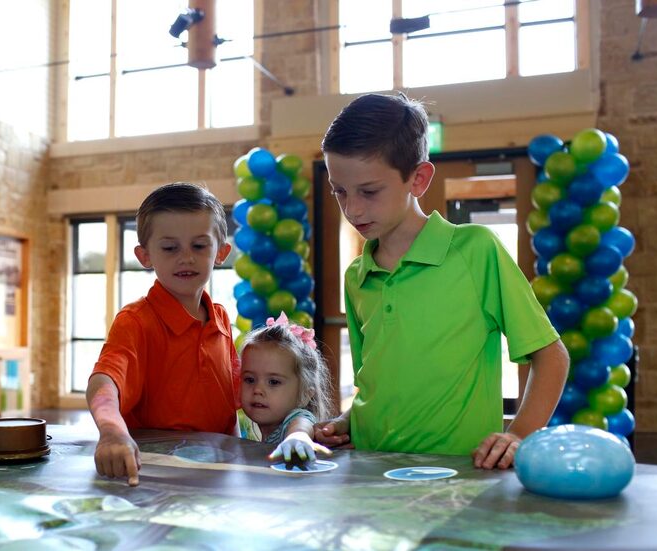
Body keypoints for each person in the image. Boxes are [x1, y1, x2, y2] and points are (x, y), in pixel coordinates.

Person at [315, 93, 569, 470]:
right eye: (340, 191)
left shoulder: (476, 251)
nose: (352, 209)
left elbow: (551, 357)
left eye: (369, 191)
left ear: (418, 179)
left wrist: (518, 435)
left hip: (457, 476)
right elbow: (382, 376)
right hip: (370, 471)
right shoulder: (357, 275)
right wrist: (350, 421)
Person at [86, 182, 239, 486]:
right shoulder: (135, 322)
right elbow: (104, 382)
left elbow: (235, 398)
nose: (186, 258)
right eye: (170, 248)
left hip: (218, 473)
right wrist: (112, 430)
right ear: (145, 256)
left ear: (221, 252)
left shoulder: (220, 317)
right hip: (152, 471)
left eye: (199, 246)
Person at [237, 312, 333, 466]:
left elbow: (301, 426)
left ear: (305, 395)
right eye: (250, 379)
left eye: (273, 382)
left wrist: (297, 438)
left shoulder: (296, 419)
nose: (257, 389)